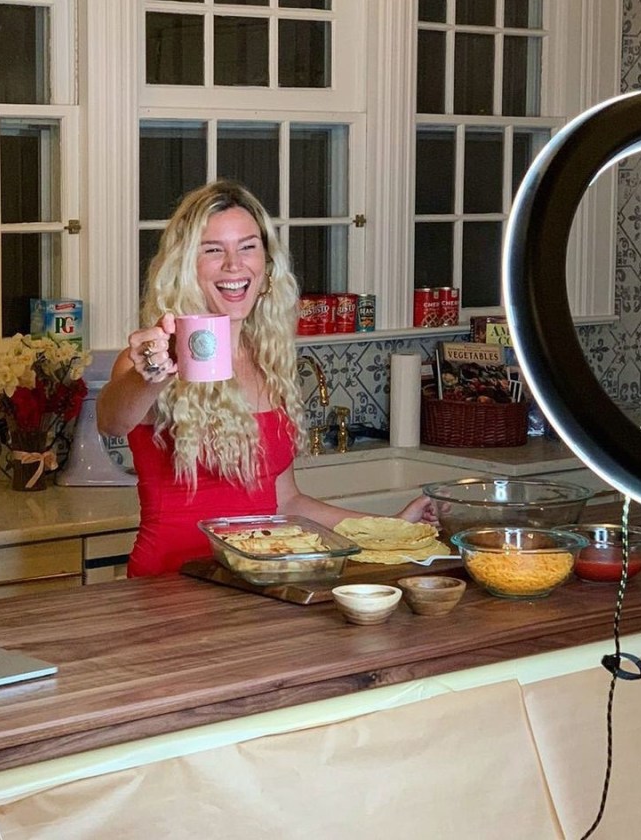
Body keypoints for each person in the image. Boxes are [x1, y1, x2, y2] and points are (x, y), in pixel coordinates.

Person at [97, 179, 436, 577]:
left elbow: (286, 503)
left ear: (266, 262)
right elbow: (112, 421)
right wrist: (152, 374)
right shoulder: (156, 358)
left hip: (255, 584)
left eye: (248, 246)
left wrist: (390, 528)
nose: (234, 265)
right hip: (170, 585)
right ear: (186, 267)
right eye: (212, 251)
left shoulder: (269, 361)